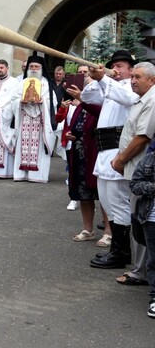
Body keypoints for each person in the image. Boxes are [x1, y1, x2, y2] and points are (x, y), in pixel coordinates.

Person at [94, 62, 155, 281]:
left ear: (152, 80)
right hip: (132, 166)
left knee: (142, 220)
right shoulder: (141, 97)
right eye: (134, 77)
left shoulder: (150, 99)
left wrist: (121, 159)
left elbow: (142, 137)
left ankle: (138, 269)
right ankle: (140, 269)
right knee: (137, 219)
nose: (133, 80)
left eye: (138, 77)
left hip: (140, 168)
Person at [80, 50, 140, 270]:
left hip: (118, 151)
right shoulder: (109, 86)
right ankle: (116, 248)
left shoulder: (134, 90)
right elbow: (87, 97)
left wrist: (105, 78)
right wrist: (98, 79)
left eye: (120, 66)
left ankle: (121, 252)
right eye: (113, 65)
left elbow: (125, 98)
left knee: (118, 203)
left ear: (131, 70)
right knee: (106, 201)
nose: (115, 69)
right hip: (103, 150)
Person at [60, 82, 112, 247]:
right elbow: (76, 126)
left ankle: (109, 232)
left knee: (102, 194)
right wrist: (71, 134)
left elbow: (97, 115)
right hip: (80, 154)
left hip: (95, 154)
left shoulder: (102, 105)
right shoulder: (80, 106)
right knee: (84, 194)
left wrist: (82, 99)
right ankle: (87, 229)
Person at [12, 56, 58, 183]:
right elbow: (13, 100)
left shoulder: (47, 84)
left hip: (40, 121)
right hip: (25, 119)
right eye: (31, 66)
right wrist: (20, 101)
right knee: (23, 145)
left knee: (38, 149)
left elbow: (52, 102)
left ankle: (37, 176)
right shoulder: (22, 83)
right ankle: (21, 174)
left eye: (36, 67)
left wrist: (42, 101)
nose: (33, 69)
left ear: (41, 69)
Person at [128, 140, 155, 318]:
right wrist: (152, 187)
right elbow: (134, 184)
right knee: (153, 260)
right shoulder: (149, 160)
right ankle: (154, 298)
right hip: (151, 218)